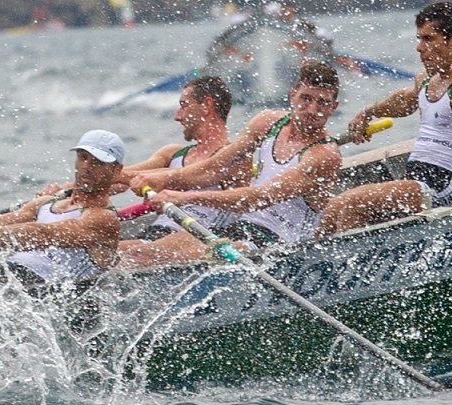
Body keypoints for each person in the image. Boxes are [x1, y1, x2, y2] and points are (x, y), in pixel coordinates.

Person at [122, 62, 346, 267]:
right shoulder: (267, 122)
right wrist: (163, 179)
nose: (312, 110)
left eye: (322, 102)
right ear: (292, 95)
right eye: (306, 98)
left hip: (280, 244)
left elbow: (259, 197)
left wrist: (184, 197)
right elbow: (214, 167)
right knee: (140, 253)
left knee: (169, 256)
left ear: (333, 107)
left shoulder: (324, 155)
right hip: (241, 227)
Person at [318, 1, 452, 235]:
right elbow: (406, 101)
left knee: (355, 203)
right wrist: (370, 111)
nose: (419, 48)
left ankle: (355, 266)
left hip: (446, 189)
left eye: (428, 39)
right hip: (417, 183)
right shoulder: (428, 78)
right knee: (332, 209)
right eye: (419, 39)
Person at [0, 131, 127, 290]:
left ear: (117, 170)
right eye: (83, 158)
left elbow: (44, 234)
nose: (87, 167)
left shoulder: (104, 218)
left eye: (98, 162)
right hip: (11, 277)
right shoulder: (46, 203)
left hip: (47, 291)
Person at [121, 76, 235, 193]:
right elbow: (118, 184)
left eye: (184, 106)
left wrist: (178, 198)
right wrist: (109, 174)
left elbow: (243, 206)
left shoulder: (235, 157)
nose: (177, 117)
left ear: (206, 105)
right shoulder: (171, 155)